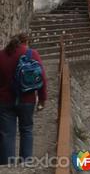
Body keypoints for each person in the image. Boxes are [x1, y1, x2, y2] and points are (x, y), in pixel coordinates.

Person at [0, 33, 46, 164]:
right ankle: (25, 162)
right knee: (26, 130)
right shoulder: (32, 54)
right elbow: (42, 78)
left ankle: (6, 164)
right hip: (27, 100)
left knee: (6, 134)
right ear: (26, 42)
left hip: (5, 101)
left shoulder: (1, 55)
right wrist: (42, 99)